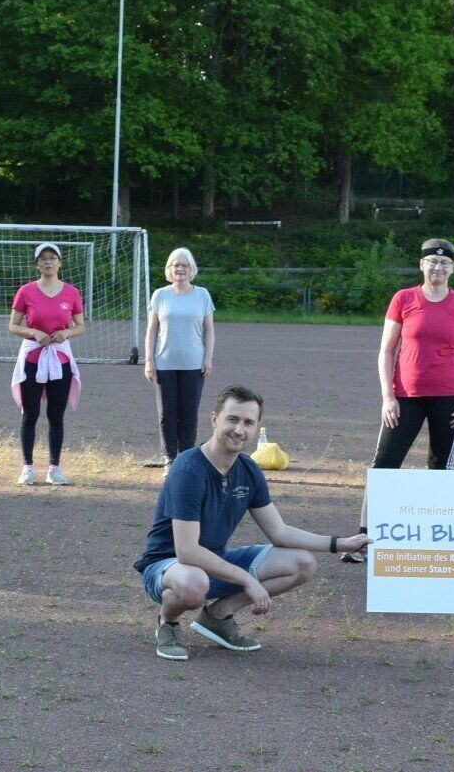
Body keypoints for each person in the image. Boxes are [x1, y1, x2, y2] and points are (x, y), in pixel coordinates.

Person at [135, 385, 371, 660]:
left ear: (257, 427)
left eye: (248, 422)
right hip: (168, 566)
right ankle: (168, 622)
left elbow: (279, 532)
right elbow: (187, 551)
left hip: (214, 561)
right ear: (214, 419)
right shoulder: (188, 469)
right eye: (232, 420)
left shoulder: (248, 470)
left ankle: (218, 616)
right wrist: (246, 579)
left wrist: (341, 544)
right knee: (193, 582)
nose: (239, 430)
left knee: (303, 563)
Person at [349, 239, 454, 564]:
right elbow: (386, 350)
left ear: (453, 268)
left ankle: (433, 539)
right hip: (404, 397)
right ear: (422, 265)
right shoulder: (403, 299)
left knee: (439, 467)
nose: (438, 268)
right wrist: (387, 396)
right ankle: (364, 539)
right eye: (432, 262)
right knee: (383, 466)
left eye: (445, 263)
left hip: (449, 397)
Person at [8, 242, 86, 486]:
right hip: (33, 358)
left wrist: (66, 333)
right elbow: (13, 325)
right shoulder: (26, 291)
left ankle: (54, 468)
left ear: (60, 263)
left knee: (56, 415)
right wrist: (33, 333)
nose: (48, 262)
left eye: (52, 257)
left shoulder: (71, 292)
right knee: (30, 413)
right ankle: (27, 468)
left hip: (60, 360)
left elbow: (80, 326)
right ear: (37, 264)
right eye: (43, 258)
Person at [144, 247, 216, 471]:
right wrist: (149, 360)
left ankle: (185, 458)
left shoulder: (202, 295)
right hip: (164, 362)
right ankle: (169, 459)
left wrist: (208, 358)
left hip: (194, 363)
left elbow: (209, 329)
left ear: (191, 268)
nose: (180, 269)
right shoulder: (160, 295)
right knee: (167, 413)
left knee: (189, 413)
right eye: (176, 265)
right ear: (169, 268)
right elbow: (152, 330)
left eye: (185, 265)